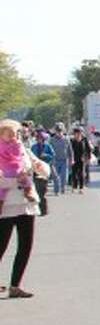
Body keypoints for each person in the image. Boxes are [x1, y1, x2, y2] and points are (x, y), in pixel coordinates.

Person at [0, 119, 44, 298]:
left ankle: (15, 286)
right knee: (1, 245)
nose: (15, 137)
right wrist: (15, 180)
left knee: (25, 246)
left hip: (26, 205)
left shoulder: (23, 150)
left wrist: (42, 168)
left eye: (17, 133)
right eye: (10, 133)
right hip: (7, 205)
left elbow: (39, 167)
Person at [29, 131, 54, 216]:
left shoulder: (48, 146)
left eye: (41, 138)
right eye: (38, 138)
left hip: (44, 170)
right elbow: (30, 156)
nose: (39, 140)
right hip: (36, 170)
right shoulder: (34, 147)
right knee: (36, 190)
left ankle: (44, 210)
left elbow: (52, 156)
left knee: (43, 191)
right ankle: (38, 209)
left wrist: (46, 156)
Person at [49, 124, 70, 196]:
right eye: (58, 131)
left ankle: (63, 188)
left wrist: (71, 159)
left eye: (60, 131)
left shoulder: (66, 139)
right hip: (55, 161)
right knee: (55, 177)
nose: (59, 133)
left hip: (64, 160)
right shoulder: (51, 140)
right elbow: (49, 150)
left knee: (64, 176)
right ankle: (56, 190)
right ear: (55, 132)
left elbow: (70, 150)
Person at [68, 128, 90, 193]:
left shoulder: (84, 140)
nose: (77, 135)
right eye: (76, 133)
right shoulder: (71, 141)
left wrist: (87, 158)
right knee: (74, 173)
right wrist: (70, 159)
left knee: (81, 173)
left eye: (79, 133)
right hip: (74, 159)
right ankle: (74, 187)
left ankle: (81, 187)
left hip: (82, 159)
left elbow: (88, 149)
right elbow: (69, 150)